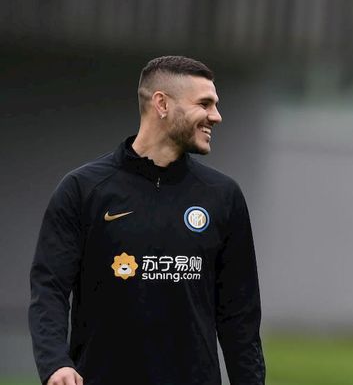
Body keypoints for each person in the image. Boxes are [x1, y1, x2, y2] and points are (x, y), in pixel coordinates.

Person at [29, 56, 265, 385]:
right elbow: (49, 288)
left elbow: (240, 317)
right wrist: (55, 363)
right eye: (204, 104)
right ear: (162, 104)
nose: (216, 116)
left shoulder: (223, 196)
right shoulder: (83, 190)